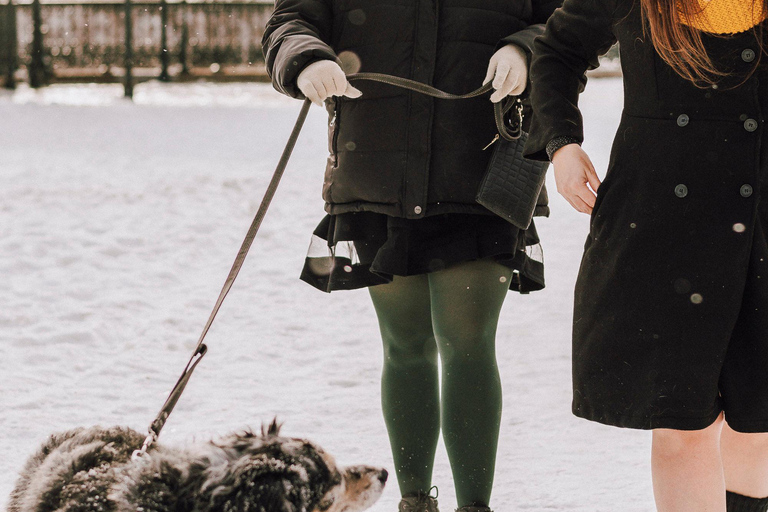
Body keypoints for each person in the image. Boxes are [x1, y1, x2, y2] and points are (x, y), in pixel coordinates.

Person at [262, 1, 561, 510]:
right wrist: (307, 58)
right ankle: (414, 502)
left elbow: (568, 22)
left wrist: (525, 47)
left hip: (480, 169)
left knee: (467, 343)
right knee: (404, 345)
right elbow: (290, 22)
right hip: (379, 169)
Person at [524, 0, 768, 510]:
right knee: (680, 420)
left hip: (762, 222)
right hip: (661, 227)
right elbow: (556, 51)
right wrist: (562, 144)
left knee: (759, 420)